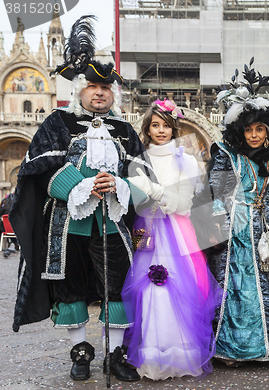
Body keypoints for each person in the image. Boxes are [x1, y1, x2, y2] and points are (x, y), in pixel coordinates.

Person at [10, 16, 150, 382]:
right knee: (70, 286)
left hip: (113, 221)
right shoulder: (58, 122)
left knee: (117, 286)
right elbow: (39, 167)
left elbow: (142, 175)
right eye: (92, 86)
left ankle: (115, 354)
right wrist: (83, 185)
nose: (99, 93)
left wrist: (117, 184)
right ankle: (81, 352)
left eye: (105, 87)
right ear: (79, 89)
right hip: (68, 222)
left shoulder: (124, 129)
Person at [121, 99, 222, 380]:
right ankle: (151, 353)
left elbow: (184, 204)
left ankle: (181, 353)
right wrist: (150, 193)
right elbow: (135, 198)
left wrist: (157, 192)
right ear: (148, 129)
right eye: (155, 125)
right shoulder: (139, 160)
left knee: (181, 286)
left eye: (166, 125)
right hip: (147, 229)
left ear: (174, 128)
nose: (161, 130)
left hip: (177, 231)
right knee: (147, 289)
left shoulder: (186, 160)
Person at [207, 60, 269, 364]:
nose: (255, 135)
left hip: (268, 231)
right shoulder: (226, 156)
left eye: (260, 129)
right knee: (238, 289)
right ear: (240, 131)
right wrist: (218, 231)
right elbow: (215, 194)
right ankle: (235, 348)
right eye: (249, 129)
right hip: (236, 233)